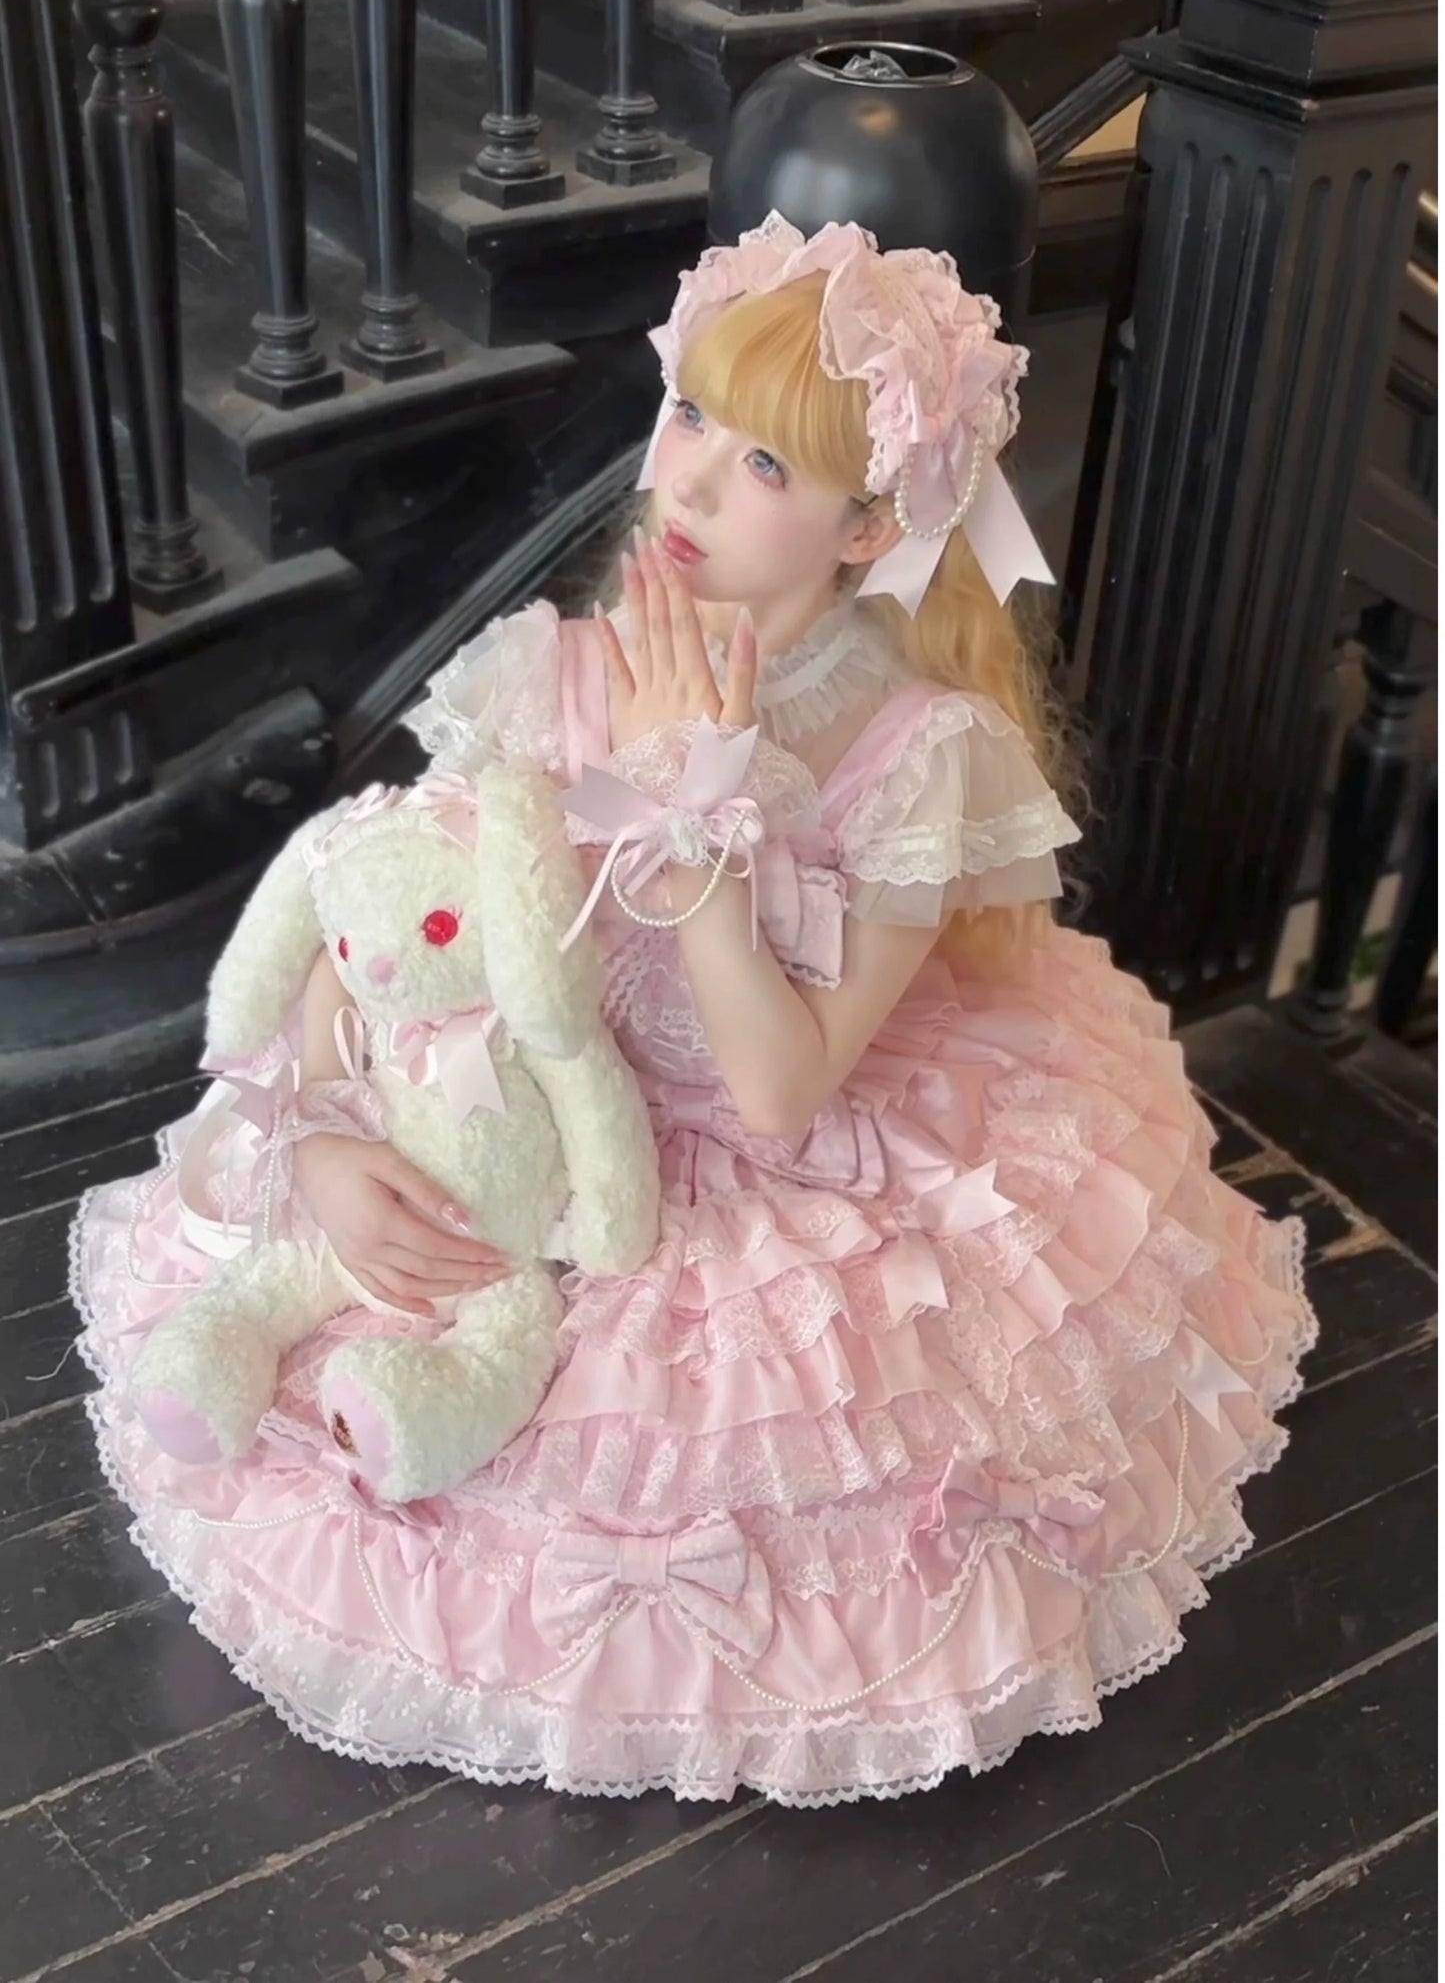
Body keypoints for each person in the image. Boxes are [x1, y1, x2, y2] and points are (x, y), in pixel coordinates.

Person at [72, 215, 1316, 1806]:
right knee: (333, 1279)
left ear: (870, 527)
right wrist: (320, 1128)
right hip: (518, 1106)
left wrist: (690, 804)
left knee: (704, 1416)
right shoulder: (559, 664)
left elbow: (780, 1091)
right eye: (690, 418)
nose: (693, 482)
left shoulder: (917, 749)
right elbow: (379, 922)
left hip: (751, 1148)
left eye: (768, 465)